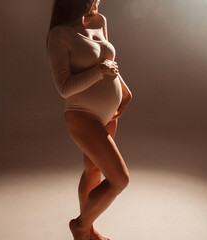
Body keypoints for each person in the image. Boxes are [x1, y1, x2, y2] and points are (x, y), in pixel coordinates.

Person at [46, 0, 133, 239]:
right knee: (119, 180)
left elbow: (109, 61)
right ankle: (81, 225)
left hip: (109, 113)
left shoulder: (99, 21)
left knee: (93, 169)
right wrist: (100, 72)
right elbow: (64, 88)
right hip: (82, 114)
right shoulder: (59, 35)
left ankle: (90, 232)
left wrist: (124, 90)